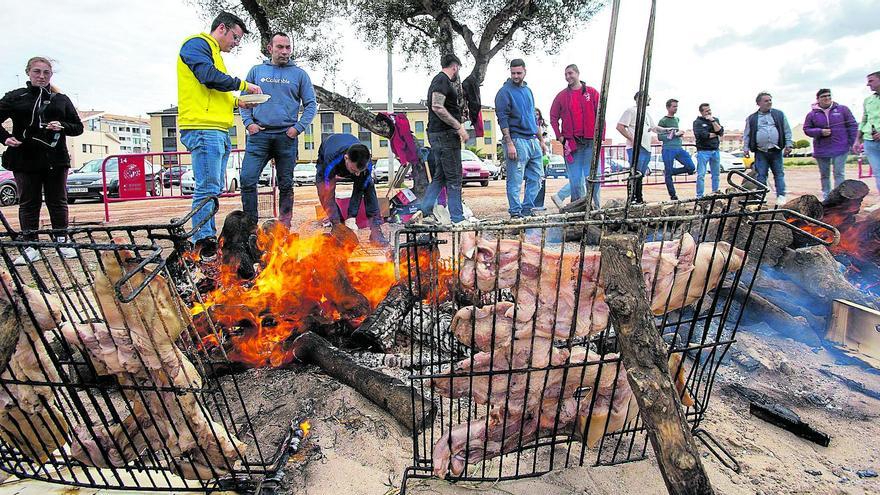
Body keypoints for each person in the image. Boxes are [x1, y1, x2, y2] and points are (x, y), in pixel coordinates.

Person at [177, 11, 262, 259]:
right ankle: (203, 242)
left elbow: (215, 91)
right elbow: (209, 78)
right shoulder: (197, 44)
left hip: (217, 129)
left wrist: (237, 102)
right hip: (204, 128)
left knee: (213, 187)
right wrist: (244, 85)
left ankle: (207, 238)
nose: (236, 44)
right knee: (207, 188)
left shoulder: (215, 55)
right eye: (235, 37)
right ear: (222, 28)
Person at [0, 56, 83, 265]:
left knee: (58, 200)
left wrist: (62, 126)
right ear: (28, 72)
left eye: (46, 72)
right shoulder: (16, 97)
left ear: (51, 75)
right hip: (24, 159)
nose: (41, 76)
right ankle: (31, 246)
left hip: (56, 158)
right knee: (29, 202)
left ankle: (62, 241)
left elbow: (78, 127)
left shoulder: (61, 99)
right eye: (37, 71)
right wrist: (5, 138)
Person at [239, 32, 316, 227]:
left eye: (287, 47)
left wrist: (298, 128)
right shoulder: (256, 71)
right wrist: (249, 124)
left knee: (286, 185)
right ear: (270, 48)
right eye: (280, 47)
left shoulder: (299, 74)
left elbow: (311, 105)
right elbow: (243, 101)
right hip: (259, 136)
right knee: (247, 180)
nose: (284, 51)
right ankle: (250, 227)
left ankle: (284, 228)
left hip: (286, 137)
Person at [416, 54, 469, 225]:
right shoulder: (442, 81)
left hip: (438, 135)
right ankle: (457, 218)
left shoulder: (439, 81)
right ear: (455, 66)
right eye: (458, 68)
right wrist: (458, 126)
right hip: (445, 136)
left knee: (441, 177)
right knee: (454, 177)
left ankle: (426, 211)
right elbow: (437, 106)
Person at [495, 59, 547, 218]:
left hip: (532, 140)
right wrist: (509, 143)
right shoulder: (504, 92)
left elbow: (533, 117)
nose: (516, 76)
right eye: (513, 73)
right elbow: (502, 119)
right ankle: (516, 213)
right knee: (515, 180)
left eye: (519, 73)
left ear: (525, 71)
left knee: (537, 178)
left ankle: (527, 209)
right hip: (516, 140)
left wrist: (541, 141)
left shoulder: (528, 91)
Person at [315, 133, 387, 245]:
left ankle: (376, 230)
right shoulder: (331, 160)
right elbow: (328, 194)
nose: (357, 175)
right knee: (324, 192)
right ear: (346, 158)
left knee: (368, 185)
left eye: (360, 171)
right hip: (327, 153)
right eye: (354, 170)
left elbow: (358, 190)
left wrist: (351, 216)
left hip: (349, 152)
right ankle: (338, 228)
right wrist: (338, 222)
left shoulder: (366, 164)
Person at [549, 64, 602, 209]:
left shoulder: (592, 93)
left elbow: (601, 115)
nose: (568, 76)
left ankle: (596, 209)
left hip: (591, 143)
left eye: (570, 73)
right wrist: (559, 136)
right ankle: (578, 211)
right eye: (565, 74)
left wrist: (600, 137)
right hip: (572, 145)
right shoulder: (561, 96)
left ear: (578, 73)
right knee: (576, 181)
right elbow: (553, 117)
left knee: (594, 179)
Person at [803, 88, 858, 200]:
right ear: (818, 99)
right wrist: (820, 132)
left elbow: (852, 126)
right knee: (825, 175)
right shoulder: (812, 114)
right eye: (823, 96)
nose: (827, 98)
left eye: (829, 95)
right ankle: (827, 197)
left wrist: (851, 142)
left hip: (841, 147)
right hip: (822, 149)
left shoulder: (843, 110)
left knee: (839, 173)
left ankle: (839, 198)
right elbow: (807, 129)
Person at [616, 92, 669, 204]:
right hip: (636, 147)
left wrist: (666, 130)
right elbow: (620, 126)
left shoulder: (646, 114)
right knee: (635, 173)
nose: (650, 100)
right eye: (648, 98)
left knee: (640, 175)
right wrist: (633, 139)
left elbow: (654, 128)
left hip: (646, 147)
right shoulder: (631, 111)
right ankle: (632, 199)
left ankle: (639, 198)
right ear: (639, 98)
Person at [743, 91, 792, 205]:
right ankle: (760, 197)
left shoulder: (779, 114)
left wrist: (789, 144)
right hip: (761, 151)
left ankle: (781, 196)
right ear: (759, 103)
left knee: (779, 174)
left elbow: (786, 130)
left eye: (770, 100)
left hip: (776, 151)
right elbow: (747, 134)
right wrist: (745, 148)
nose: (769, 102)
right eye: (766, 101)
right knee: (761, 175)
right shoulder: (752, 118)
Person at [656, 99, 695, 200]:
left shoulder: (677, 119)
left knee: (691, 167)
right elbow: (660, 137)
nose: (676, 108)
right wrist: (675, 134)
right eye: (674, 106)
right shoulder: (663, 121)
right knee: (668, 174)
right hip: (668, 149)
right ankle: (673, 195)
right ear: (668, 107)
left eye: (677, 106)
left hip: (678, 148)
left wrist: (680, 134)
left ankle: (670, 172)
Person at [853, 71, 880, 194]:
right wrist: (857, 140)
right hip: (870, 141)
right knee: (878, 173)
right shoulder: (868, 100)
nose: (868, 84)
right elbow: (864, 120)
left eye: (871, 81)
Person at [692, 102, 725, 198]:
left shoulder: (715, 120)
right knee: (701, 175)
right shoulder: (697, 122)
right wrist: (716, 133)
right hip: (703, 151)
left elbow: (721, 132)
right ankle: (699, 196)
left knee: (716, 174)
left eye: (709, 110)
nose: (709, 112)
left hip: (715, 150)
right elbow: (703, 135)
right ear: (701, 112)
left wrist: (713, 121)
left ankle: (715, 193)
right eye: (706, 111)